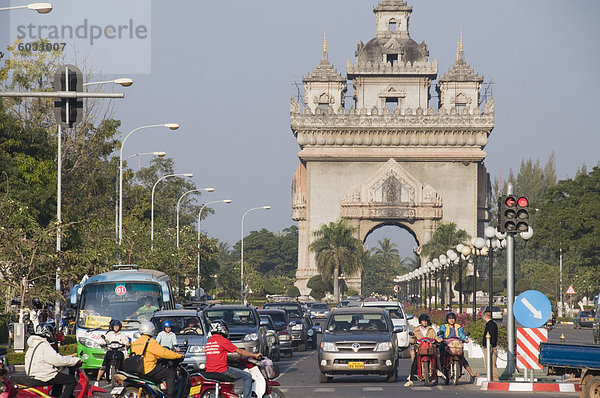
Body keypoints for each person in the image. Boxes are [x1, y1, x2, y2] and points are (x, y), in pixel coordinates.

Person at [205, 320, 262, 398]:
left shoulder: (209, 341)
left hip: (209, 370)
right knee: (247, 376)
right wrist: (254, 355)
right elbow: (240, 351)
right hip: (222, 370)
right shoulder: (223, 340)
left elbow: (217, 354)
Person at [25, 323, 81, 398]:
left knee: (59, 378)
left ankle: (55, 395)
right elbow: (57, 360)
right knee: (71, 380)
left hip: (34, 374)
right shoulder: (43, 345)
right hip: (42, 376)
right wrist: (75, 361)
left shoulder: (34, 344)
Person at [131, 321, 183, 398]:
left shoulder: (135, 342)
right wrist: (178, 356)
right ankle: (170, 396)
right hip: (147, 368)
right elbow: (163, 352)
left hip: (136, 368)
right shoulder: (150, 342)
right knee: (170, 374)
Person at [404, 313, 443, 387]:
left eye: (425, 321)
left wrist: (439, 339)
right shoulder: (417, 330)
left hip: (430, 349)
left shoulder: (431, 329)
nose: (424, 322)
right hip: (420, 349)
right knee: (415, 361)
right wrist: (412, 340)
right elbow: (414, 337)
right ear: (420, 322)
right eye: (423, 321)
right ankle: (411, 379)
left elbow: (435, 337)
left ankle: (438, 371)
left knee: (437, 356)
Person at [437, 312, 479, 381]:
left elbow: (461, 334)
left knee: (462, 358)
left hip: (456, 345)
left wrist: (465, 339)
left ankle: (471, 374)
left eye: (453, 318)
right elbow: (441, 333)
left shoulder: (458, 327)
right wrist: (440, 338)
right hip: (446, 344)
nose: (451, 320)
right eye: (450, 318)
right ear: (447, 320)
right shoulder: (444, 326)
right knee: (441, 357)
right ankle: (439, 372)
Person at [95, 320, 130, 386]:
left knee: (122, 364)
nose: (116, 327)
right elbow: (105, 340)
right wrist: (103, 343)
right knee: (104, 365)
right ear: (112, 327)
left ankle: (121, 380)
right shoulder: (109, 334)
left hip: (119, 351)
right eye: (115, 326)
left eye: (117, 326)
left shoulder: (122, 334)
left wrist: (127, 343)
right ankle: (97, 380)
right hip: (110, 351)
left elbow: (125, 341)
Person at [482, 310, 499, 381]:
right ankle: (492, 377)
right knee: (492, 363)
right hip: (492, 346)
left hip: (490, 347)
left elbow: (491, 336)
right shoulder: (493, 324)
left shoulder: (490, 325)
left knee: (490, 363)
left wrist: (489, 345)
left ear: (485, 316)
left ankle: (493, 378)